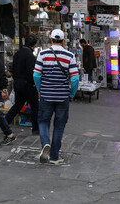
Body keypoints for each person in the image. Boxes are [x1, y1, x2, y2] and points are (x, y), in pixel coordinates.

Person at [34, 29, 79, 164]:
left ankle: (45, 143)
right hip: (62, 96)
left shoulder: (42, 54)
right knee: (59, 125)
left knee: (43, 121)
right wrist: (71, 93)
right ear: (63, 40)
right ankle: (54, 156)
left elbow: (36, 75)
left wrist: (40, 89)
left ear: (51, 40)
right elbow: (75, 78)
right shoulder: (69, 55)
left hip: (46, 95)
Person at [5, 36, 39, 134]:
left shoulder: (17, 53)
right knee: (34, 105)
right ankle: (36, 129)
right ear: (33, 46)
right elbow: (29, 71)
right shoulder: (29, 55)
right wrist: (33, 82)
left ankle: (5, 122)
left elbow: (12, 68)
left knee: (18, 105)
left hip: (17, 83)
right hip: (27, 84)